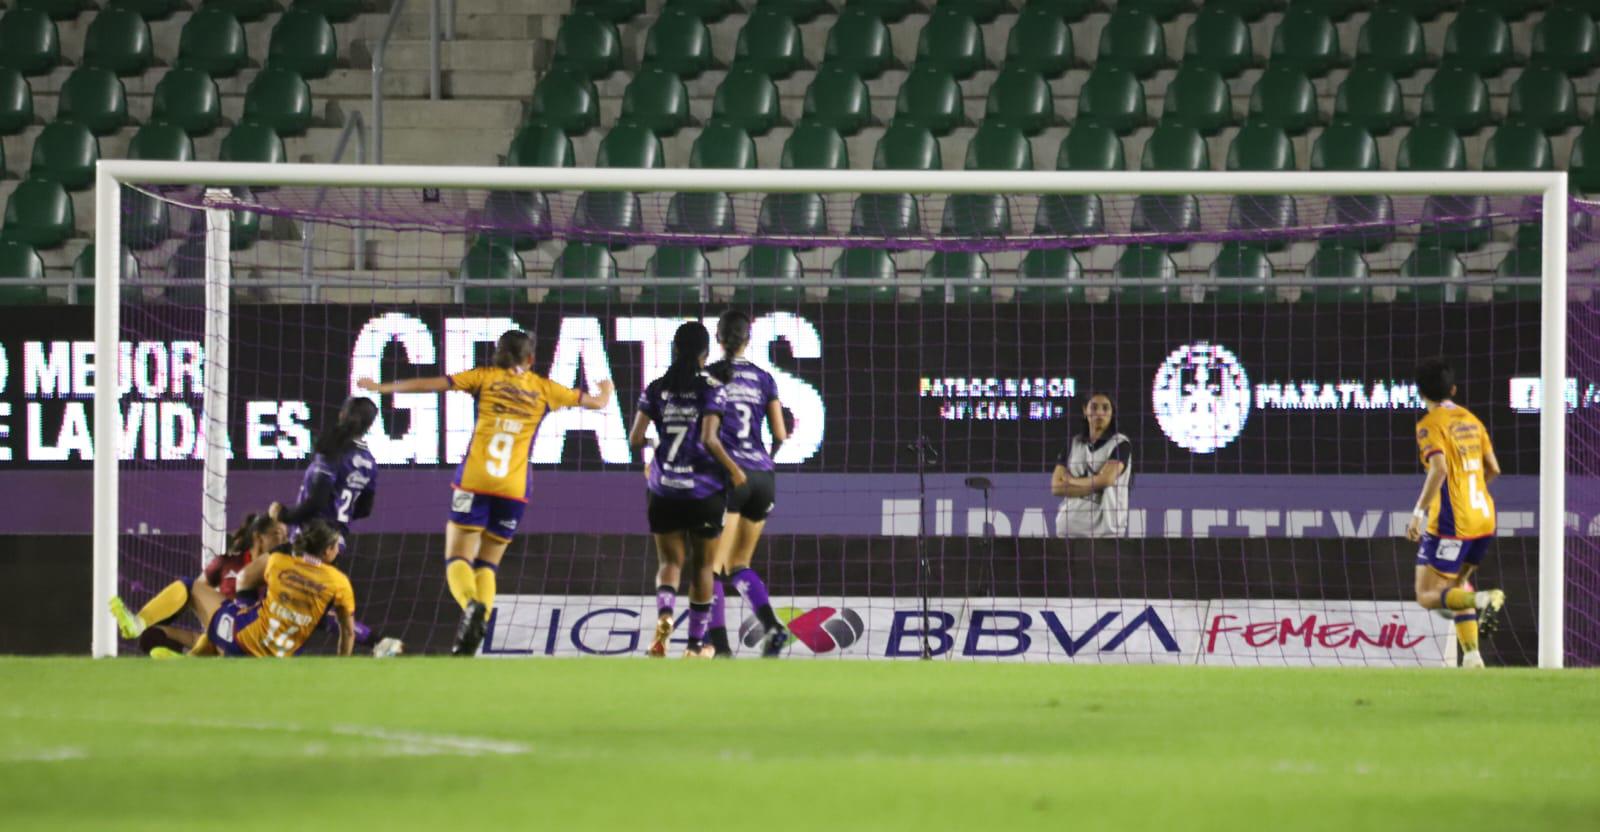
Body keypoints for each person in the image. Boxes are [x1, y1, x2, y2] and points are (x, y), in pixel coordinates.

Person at [357, 329, 614, 655]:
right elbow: (599, 402)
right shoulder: (545, 389)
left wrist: (381, 387)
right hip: (514, 489)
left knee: (458, 557)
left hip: (475, 482)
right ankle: (478, 629)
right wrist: (606, 388)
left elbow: (430, 384)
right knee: (487, 565)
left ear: (498, 353)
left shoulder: (484, 378)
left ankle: (471, 606)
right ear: (530, 358)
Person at [628, 321, 744, 658]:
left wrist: (656, 444)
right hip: (703, 491)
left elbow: (635, 438)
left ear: (675, 350)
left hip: (664, 489)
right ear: (705, 354)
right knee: (703, 568)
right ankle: (694, 645)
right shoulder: (712, 389)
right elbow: (709, 439)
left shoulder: (656, 388)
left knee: (669, 562)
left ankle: (665, 617)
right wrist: (734, 470)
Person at [1403, 358, 1507, 668]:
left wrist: (1418, 512)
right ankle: (1472, 657)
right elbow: (1494, 469)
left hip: (1452, 523)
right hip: (1484, 518)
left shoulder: (1429, 424)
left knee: (1426, 594)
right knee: (1455, 588)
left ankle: (1485, 599)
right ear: (1453, 390)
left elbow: (1439, 470)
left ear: (1420, 392)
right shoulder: (1472, 421)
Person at [703, 310, 790, 658]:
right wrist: (765, 458)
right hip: (763, 477)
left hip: (728, 475)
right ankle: (773, 627)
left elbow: (701, 432)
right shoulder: (764, 378)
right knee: (739, 564)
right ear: (748, 340)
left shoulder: (708, 377)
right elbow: (780, 433)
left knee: (709, 567)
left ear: (718, 338)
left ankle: (720, 647)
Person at [108, 513, 288, 657]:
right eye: (278, 534)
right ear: (259, 538)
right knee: (152, 636)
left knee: (191, 589)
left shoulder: (281, 568)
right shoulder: (227, 562)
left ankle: (186, 654)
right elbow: (195, 595)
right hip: (220, 632)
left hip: (252, 637)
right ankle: (144, 627)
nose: (285, 541)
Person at [190, 520, 357, 658]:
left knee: (189, 589)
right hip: (279, 656)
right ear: (328, 550)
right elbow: (349, 631)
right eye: (277, 534)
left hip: (248, 639)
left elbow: (244, 579)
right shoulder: (339, 582)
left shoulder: (278, 561)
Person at [270, 397, 379, 538]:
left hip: (311, 539)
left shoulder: (334, 450)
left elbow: (317, 501)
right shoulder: (370, 462)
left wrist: (284, 515)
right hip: (336, 541)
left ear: (342, 415)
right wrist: (338, 517)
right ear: (370, 425)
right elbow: (364, 509)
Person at [1051, 392, 1133, 538]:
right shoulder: (1073, 444)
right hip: (1069, 528)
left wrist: (1071, 481)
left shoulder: (1120, 444)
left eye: (1105, 408)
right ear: (1085, 410)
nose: (1099, 413)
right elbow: (1056, 487)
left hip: (1106, 533)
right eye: (1094, 407)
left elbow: (1106, 480)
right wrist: (1095, 484)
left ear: (1112, 412)